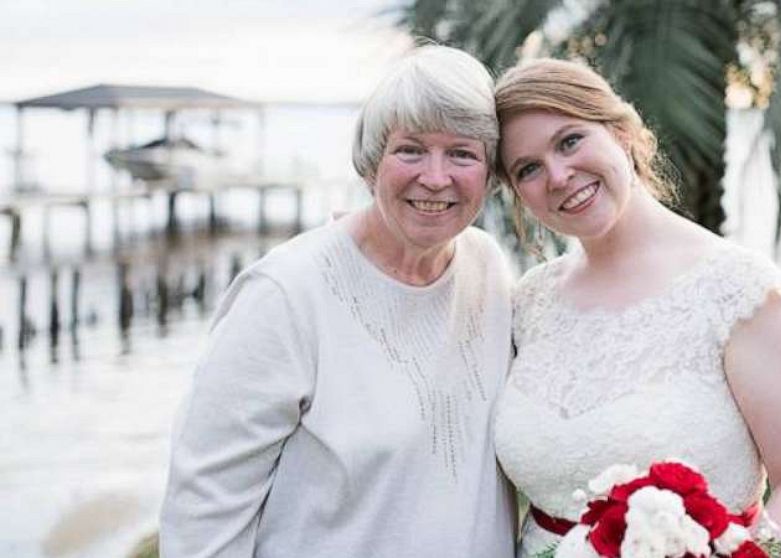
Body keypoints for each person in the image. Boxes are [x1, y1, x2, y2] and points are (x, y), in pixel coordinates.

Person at [159, 45, 517, 558]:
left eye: (462, 153)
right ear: (371, 163)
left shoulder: (488, 268)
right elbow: (203, 516)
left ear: (489, 174)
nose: (435, 178)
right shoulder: (285, 294)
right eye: (410, 149)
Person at [492, 59, 781, 558]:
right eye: (527, 168)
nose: (558, 175)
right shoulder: (530, 301)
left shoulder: (742, 292)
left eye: (570, 141)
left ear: (621, 132)